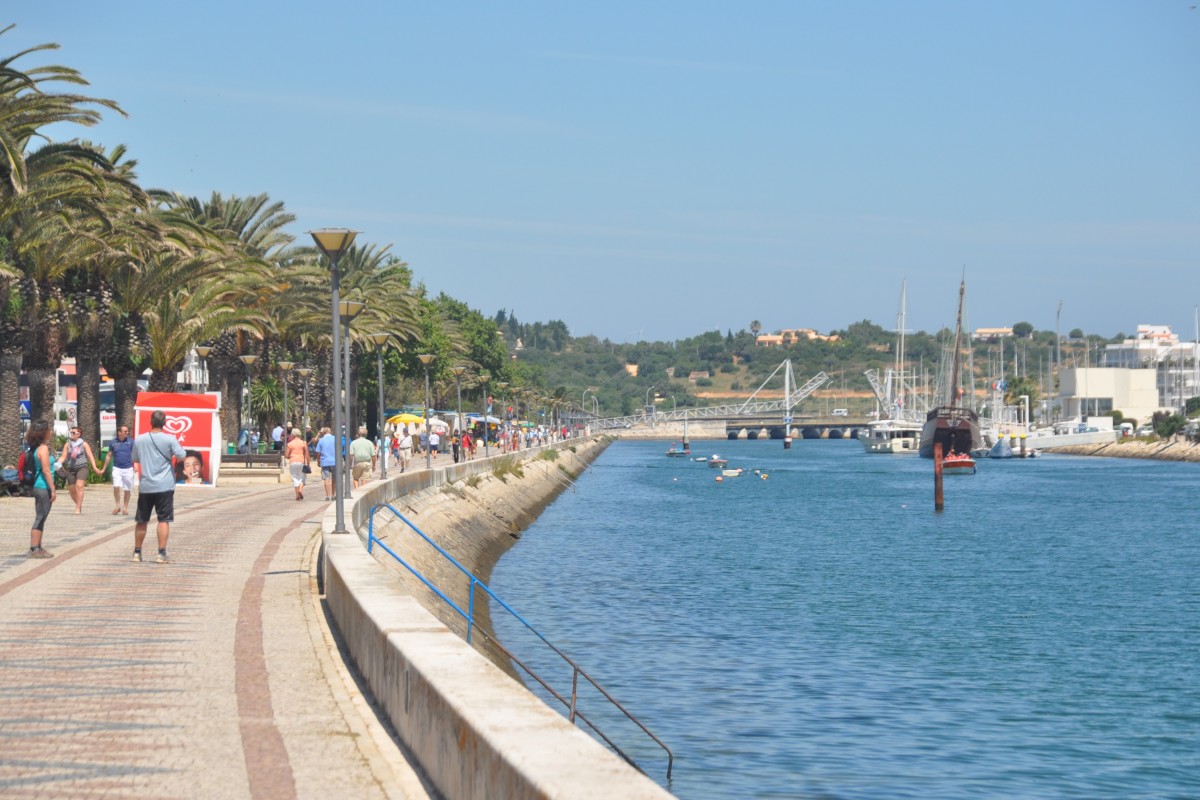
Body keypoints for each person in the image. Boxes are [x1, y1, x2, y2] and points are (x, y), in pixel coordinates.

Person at [131, 409, 187, 563]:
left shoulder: (140, 439)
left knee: (141, 520)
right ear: (165, 423)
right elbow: (182, 455)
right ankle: (161, 554)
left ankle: (137, 553)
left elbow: (135, 458)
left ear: (151, 421)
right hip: (164, 485)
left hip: (146, 485)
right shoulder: (170, 439)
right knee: (164, 519)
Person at [26, 421, 57, 558]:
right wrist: (53, 488)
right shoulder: (43, 449)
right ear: (43, 432)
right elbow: (46, 470)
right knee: (40, 516)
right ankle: (34, 548)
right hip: (43, 487)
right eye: (49, 430)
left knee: (42, 516)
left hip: (40, 487)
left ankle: (38, 546)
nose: (51, 432)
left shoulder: (37, 447)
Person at [59, 425, 102, 515]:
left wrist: (94, 467)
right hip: (70, 468)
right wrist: (58, 463)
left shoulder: (84, 444)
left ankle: (78, 508)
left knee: (79, 485)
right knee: (71, 489)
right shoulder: (68, 444)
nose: (72, 434)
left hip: (82, 467)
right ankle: (79, 504)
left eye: (74, 432)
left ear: (79, 434)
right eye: (71, 432)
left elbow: (90, 456)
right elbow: (63, 456)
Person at [101, 424, 136, 515]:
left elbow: (134, 454)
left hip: (128, 468)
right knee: (116, 486)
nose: (127, 433)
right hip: (117, 467)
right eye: (125, 431)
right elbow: (109, 455)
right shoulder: (113, 442)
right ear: (119, 432)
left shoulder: (131, 442)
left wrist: (135, 464)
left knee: (127, 489)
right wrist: (104, 468)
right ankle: (117, 506)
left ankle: (125, 508)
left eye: (127, 431)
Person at [284, 427, 310, 501]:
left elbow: (286, 455)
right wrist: (308, 463)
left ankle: (297, 495)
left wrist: (291, 457)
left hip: (293, 462)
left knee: (295, 478)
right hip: (302, 461)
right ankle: (300, 490)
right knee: (302, 477)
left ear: (292, 435)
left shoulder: (290, 444)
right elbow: (307, 455)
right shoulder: (303, 443)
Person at [314, 426, 336, 500]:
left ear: (323, 433)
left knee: (326, 478)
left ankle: (327, 496)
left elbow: (318, 452)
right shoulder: (335, 439)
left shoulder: (321, 440)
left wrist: (318, 461)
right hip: (334, 461)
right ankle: (333, 494)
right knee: (334, 478)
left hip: (325, 461)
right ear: (330, 432)